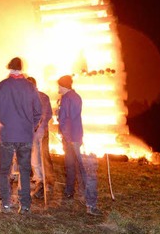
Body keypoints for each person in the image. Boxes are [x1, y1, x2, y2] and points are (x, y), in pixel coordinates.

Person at [0, 57, 42, 214]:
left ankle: (6, 203)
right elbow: (38, 112)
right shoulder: (30, 87)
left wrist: (4, 124)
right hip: (25, 135)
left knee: (3, 170)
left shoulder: (1, 86)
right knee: (24, 169)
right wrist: (31, 127)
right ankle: (25, 204)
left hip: (7, 135)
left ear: (9, 68)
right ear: (22, 69)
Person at [57, 74, 101, 216]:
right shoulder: (69, 97)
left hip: (73, 138)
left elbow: (70, 118)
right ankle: (70, 191)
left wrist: (68, 136)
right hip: (71, 137)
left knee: (83, 167)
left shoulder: (71, 98)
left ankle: (89, 201)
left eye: (59, 85)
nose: (57, 88)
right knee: (70, 165)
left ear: (64, 86)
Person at [26, 76, 54, 200]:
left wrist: (39, 128)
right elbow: (49, 115)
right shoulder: (42, 96)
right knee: (40, 157)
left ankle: (42, 183)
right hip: (36, 132)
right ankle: (44, 182)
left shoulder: (38, 97)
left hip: (36, 133)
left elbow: (45, 114)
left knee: (37, 158)